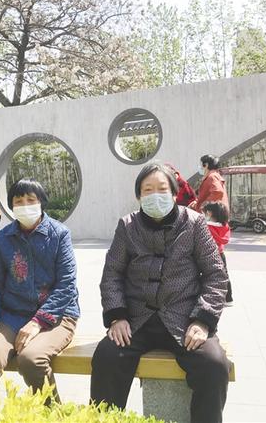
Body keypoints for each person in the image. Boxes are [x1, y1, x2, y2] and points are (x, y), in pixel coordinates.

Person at [90, 162, 230, 423]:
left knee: (214, 364)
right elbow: (112, 274)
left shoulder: (194, 223)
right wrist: (117, 316)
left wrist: (202, 320)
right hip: (136, 320)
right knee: (107, 357)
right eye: (148, 190)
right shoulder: (128, 226)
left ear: (175, 193)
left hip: (184, 320)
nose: (155, 195)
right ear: (139, 196)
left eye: (162, 189)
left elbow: (215, 274)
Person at [0, 179, 80, 402]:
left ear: (41, 203)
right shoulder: (2, 239)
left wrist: (38, 321)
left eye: (31, 200)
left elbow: (66, 284)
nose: (25, 205)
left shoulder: (59, 234)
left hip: (56, 317)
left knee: (31, 358)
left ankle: (54, 414)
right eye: (19, 201)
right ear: (11, 205)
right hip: (11, 315)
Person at [202, 201, 233, 306]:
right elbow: (224, 240)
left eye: (205, 212)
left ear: (209, 213)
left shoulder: (206, 226)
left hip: (208, 254)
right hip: (220, 253)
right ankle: (229, 299)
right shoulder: (225, 226)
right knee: (224, 275)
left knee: (208, 276)